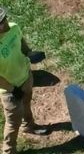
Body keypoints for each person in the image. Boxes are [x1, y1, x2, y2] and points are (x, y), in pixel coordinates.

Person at [1, 8, 48, 154]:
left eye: (4, 18)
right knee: (12, 122)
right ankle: (9, 150)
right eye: (1, 22)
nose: (5, 23)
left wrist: (29, 52)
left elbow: (20, 40)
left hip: (26, 76)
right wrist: (13, 89)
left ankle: (28, 126)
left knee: (27, 102)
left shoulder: (13, 28)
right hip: (9, 90)